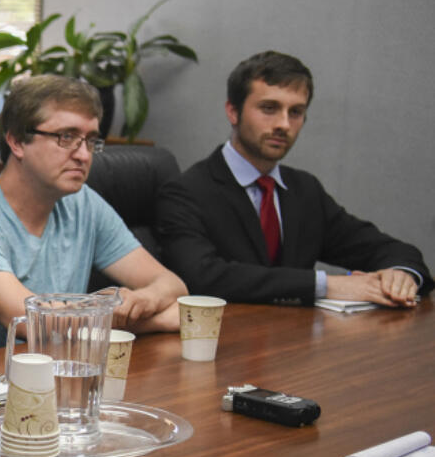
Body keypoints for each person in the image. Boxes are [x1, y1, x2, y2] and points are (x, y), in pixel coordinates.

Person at [0, 75, 187, 353]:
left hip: (63, 370)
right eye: (67, 137)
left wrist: (144, 300)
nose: (84, 156)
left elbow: (173, 285)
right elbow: (34, 324)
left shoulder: (82, 203)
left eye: (90, 140)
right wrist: (150, 320)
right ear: (17, 142)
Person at [155, 50, 431, 306]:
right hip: (226, 344)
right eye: (269, 108)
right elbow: (203, 277)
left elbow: (386, 248)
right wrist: (327, 285)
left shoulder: (304, 189)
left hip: (298, 343)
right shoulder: (185, 191)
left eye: (296, 112)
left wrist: (401, 275)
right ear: (233, 111)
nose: (283, 125)